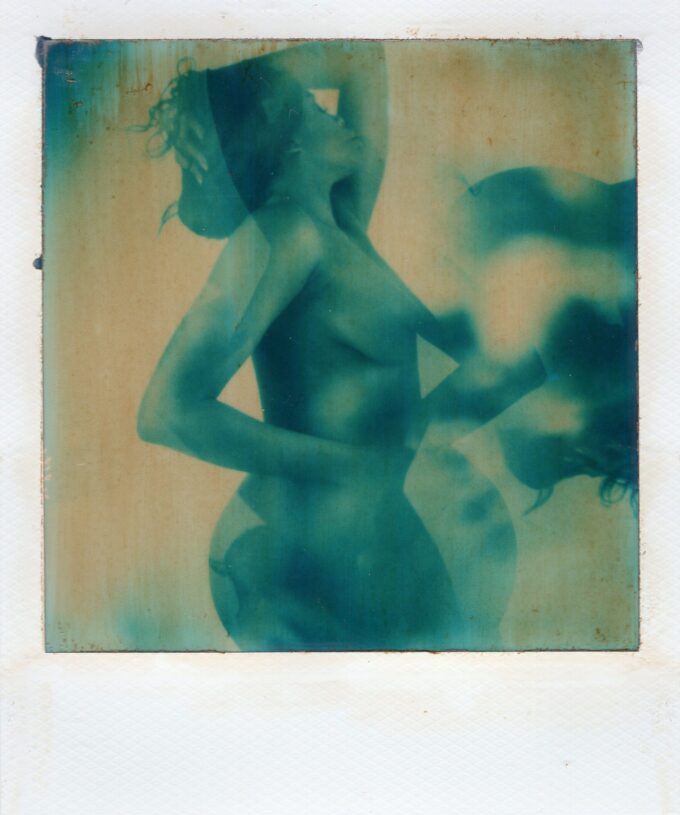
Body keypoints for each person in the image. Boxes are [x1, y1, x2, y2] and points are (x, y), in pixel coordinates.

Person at [136, 42, 545, 650]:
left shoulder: (341, 222)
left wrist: (255, 82)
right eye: (313, 107)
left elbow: (362, 59)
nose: (335, 112)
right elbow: (166, 412)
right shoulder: (282, 234)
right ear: (290, 144)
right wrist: (352, 465)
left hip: (378, 537)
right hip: (315, 552)